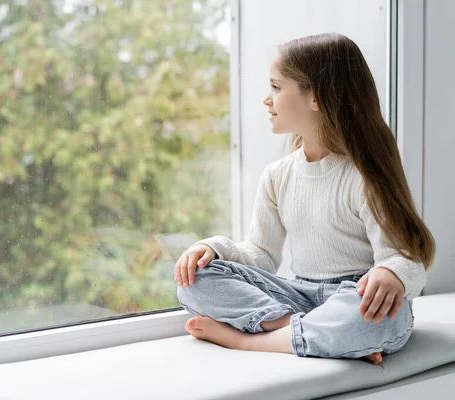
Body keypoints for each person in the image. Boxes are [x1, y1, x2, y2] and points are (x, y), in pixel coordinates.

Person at [175, 32, 436, 365]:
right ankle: (312, 335)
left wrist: (391, 273)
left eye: (276, 87)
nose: (267, 100)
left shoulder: (364, 177)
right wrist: (215, 249)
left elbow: (408, 259)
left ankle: (248, 342)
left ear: (316, 96)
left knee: (372, 316)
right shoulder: (277, 176)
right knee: (194, 282)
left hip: (356, 297)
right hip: (297, 297)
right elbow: (261, 255)